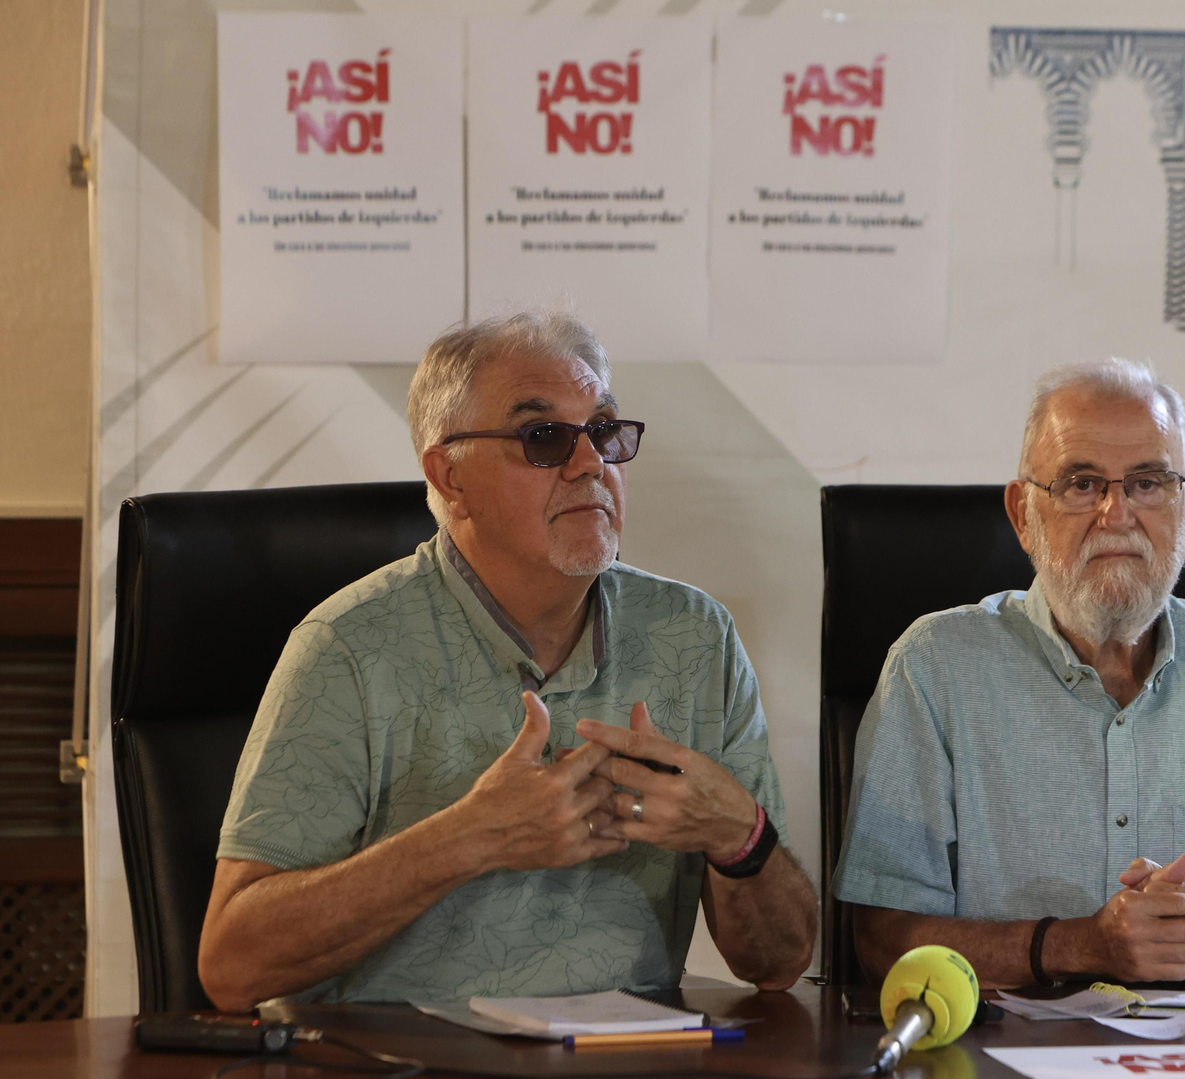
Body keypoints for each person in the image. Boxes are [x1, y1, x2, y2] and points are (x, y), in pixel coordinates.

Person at [198, 312, 815, 1010]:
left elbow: (780, 963)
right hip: (406, 1055)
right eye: (544, 438)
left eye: (603, 431)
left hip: (633, 1053)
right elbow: (233, 965)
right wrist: (467, 839)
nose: (590, 464)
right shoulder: (348, 648)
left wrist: (739, 836)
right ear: (450, 477)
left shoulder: (695, 635)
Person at [833, 358, 1185, 989]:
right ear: (1022, 514)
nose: (1117, 514)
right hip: (1012, 1040)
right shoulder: (935, 667)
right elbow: (881, 940)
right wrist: (1083, 945)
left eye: (1148, 483)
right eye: (1082, 484)